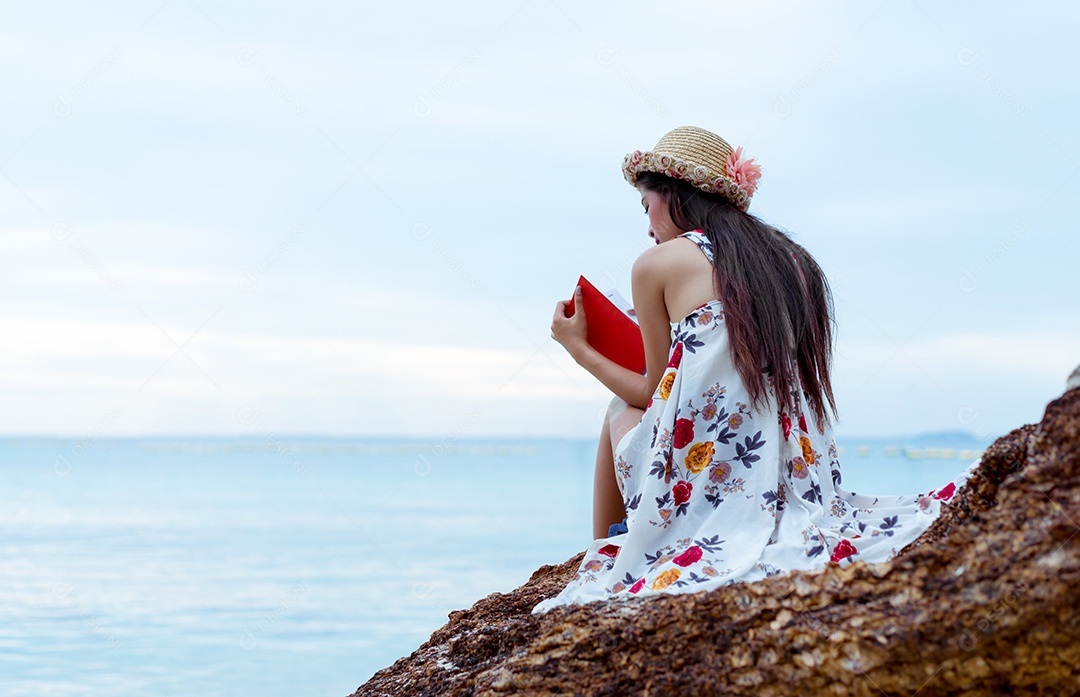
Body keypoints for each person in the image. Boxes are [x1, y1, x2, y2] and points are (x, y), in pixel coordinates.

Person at [533, 126, 978, 614]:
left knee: (616, 409)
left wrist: (578, 347)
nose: (647, 225)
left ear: (674, 193)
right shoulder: (788, 259)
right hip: (795, 469)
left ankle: (612, 551)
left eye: (646, 207)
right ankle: (622, 545)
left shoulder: (656, 264)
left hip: (707, 467)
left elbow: (649, 392)